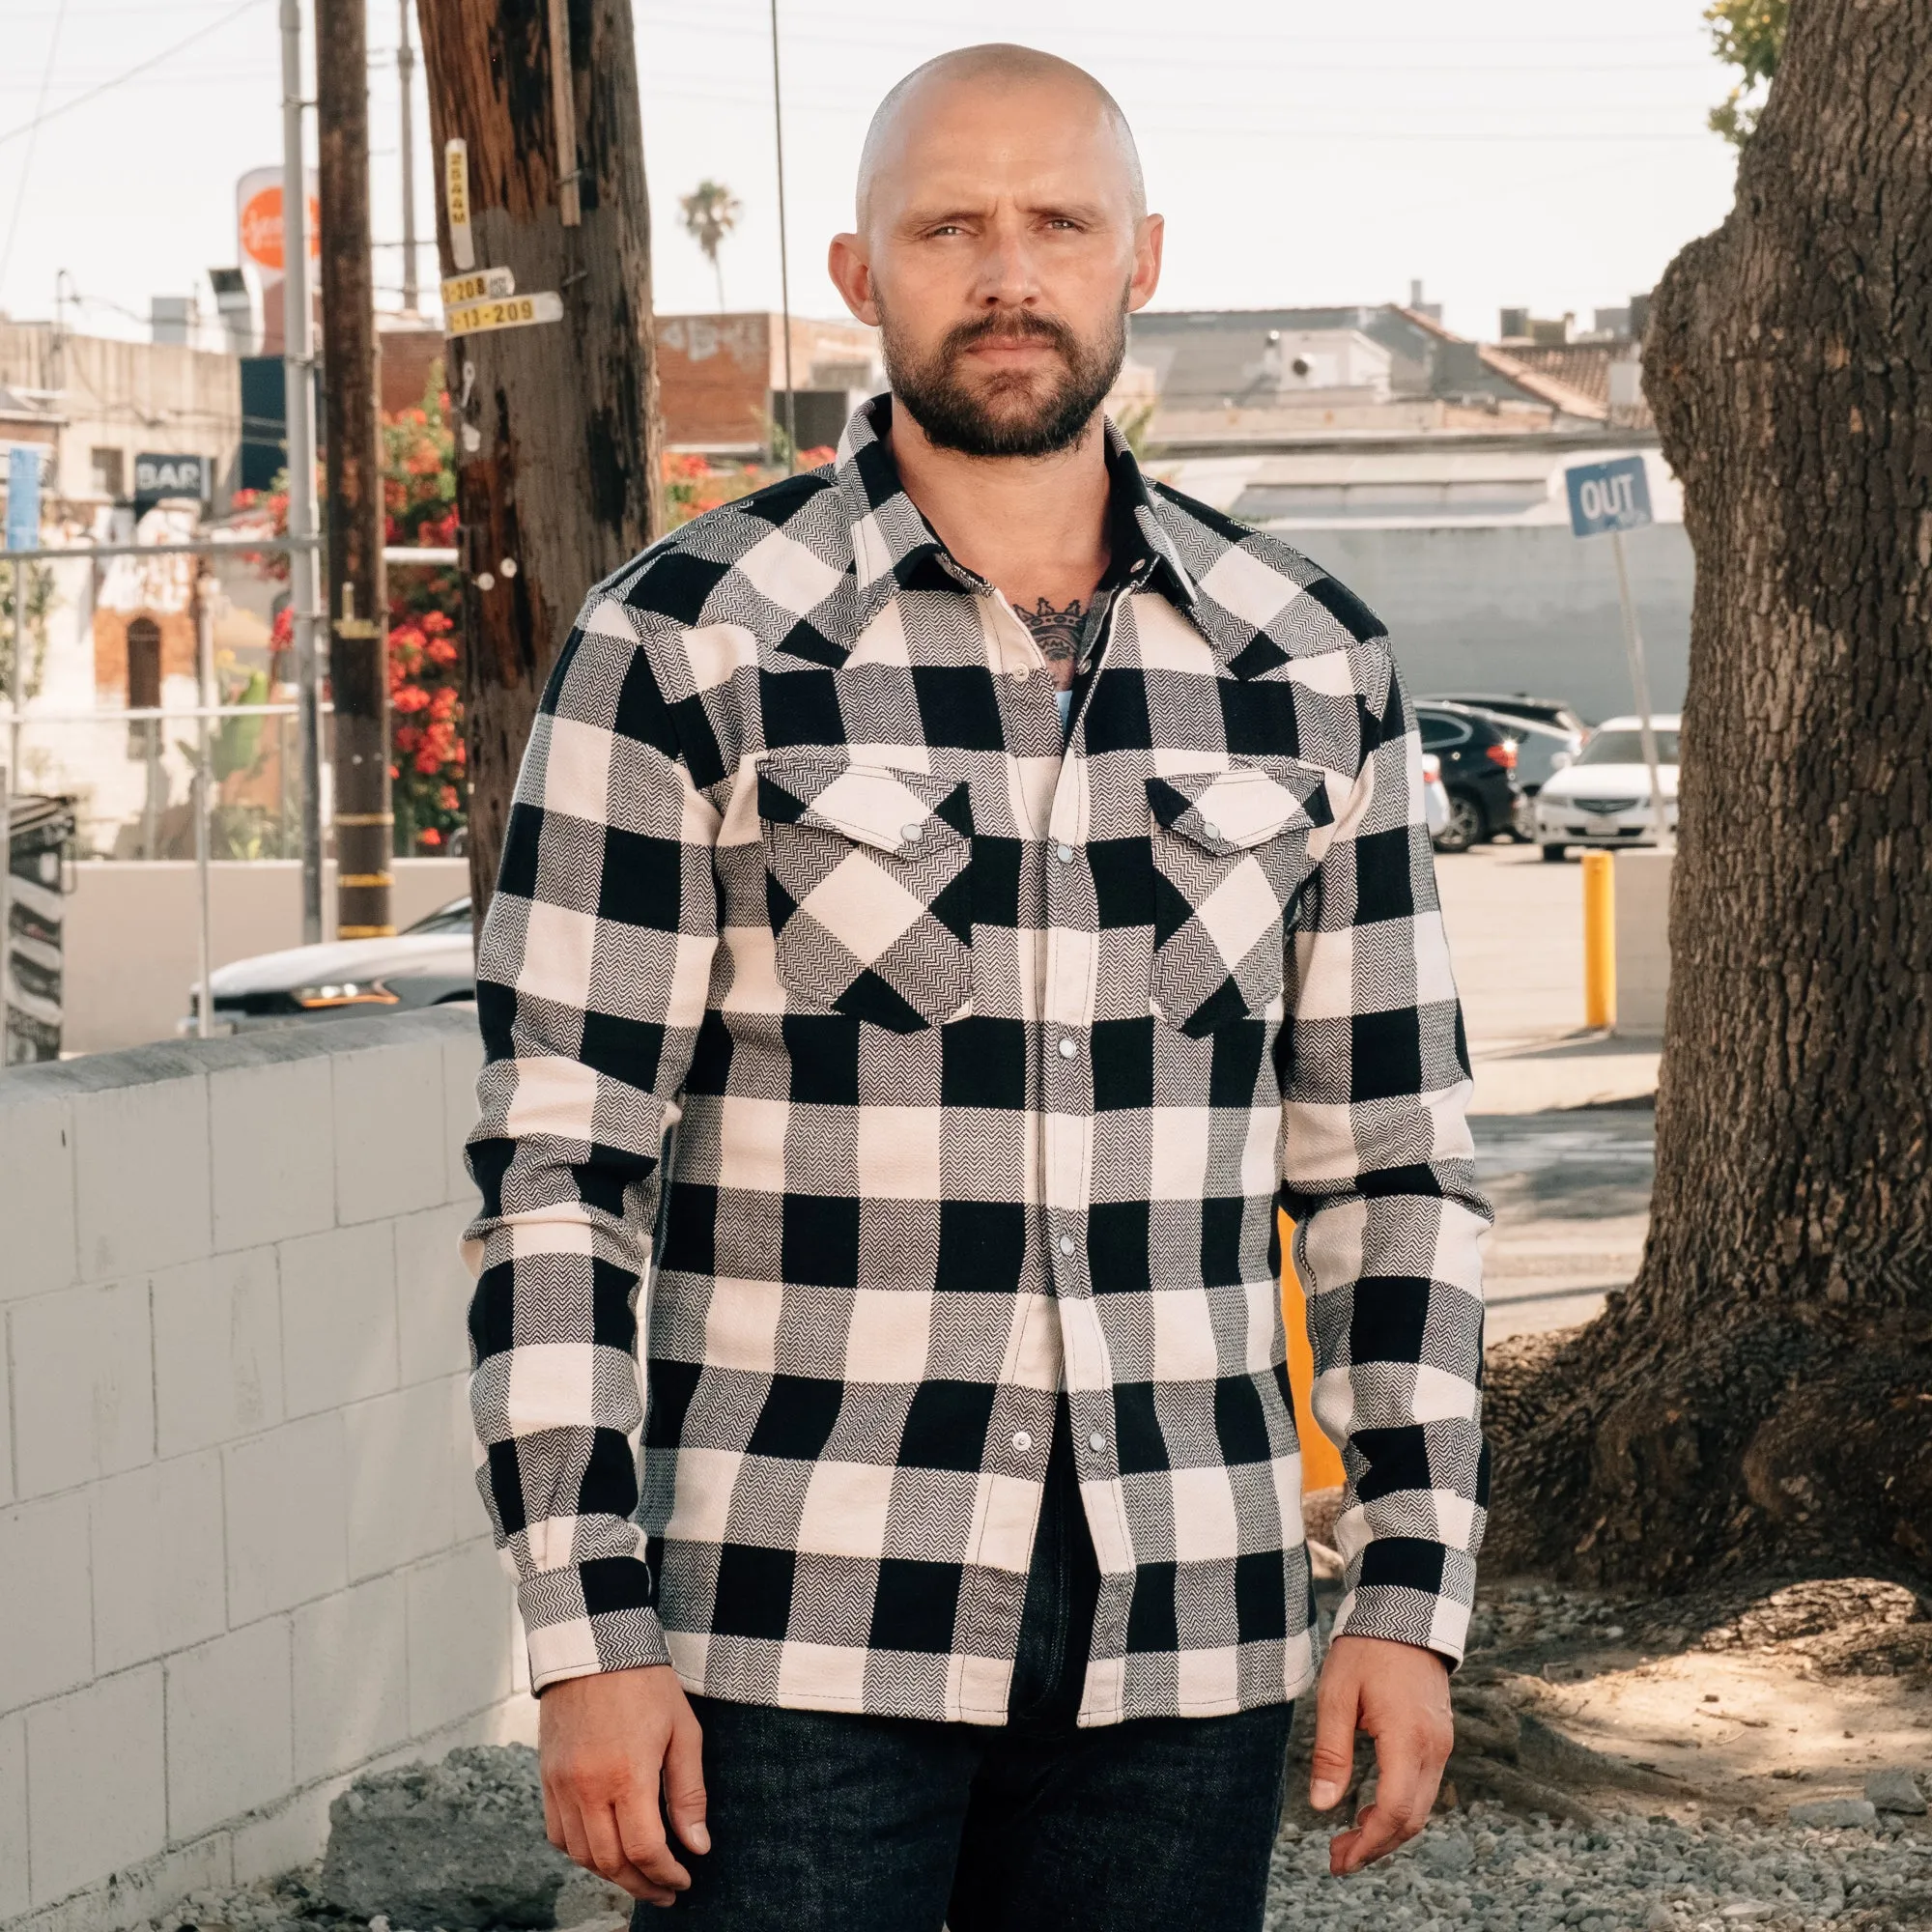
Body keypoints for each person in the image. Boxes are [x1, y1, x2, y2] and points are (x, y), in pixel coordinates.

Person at [461, 43, 1489, 1932]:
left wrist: (1407, 1593)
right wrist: (583, 1627)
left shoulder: (1310, 660)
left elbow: (1392, 1172)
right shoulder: (682, 648)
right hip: (780, 1642)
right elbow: (558, 1175)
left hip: (1190, 1636)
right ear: (861, 275)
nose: (1005, 272)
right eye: (947, 226)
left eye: (1054, 224)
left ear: (1139, 257)